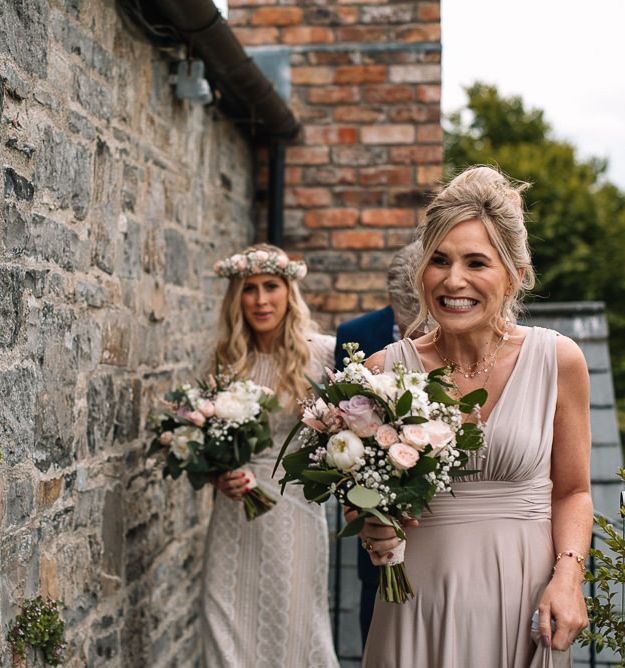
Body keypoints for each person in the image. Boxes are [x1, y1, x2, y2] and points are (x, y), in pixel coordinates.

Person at [361, 166, 592, 667]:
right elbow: (367, 499)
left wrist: (569, 578)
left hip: (524, 605)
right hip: (415, 605)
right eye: (439, 260)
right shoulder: (383, 372)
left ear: (514, 275)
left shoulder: (559, 361)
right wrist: (371, 524)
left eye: (476, 262)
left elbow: (573, 491)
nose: (453, 279)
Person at [201, 244, 339, 668]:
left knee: (297, 627)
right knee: (222, 623)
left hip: (294, 513)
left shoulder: (324, 355)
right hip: (233, 519)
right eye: (250, 289)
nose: (261, 300)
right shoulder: (225, 361)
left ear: (289, 291)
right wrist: (218, 477)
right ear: (236, 298)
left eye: (271, 287)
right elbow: (206, 444)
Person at [334, 240, 423, 648]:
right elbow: (341, 441)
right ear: (391, 301)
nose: (420, 338)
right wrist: (363, 509)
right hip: (380, 545)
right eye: (411, 328)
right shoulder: (355, 337)